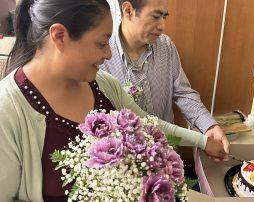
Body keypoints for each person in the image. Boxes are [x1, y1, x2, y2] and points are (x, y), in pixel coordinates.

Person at [0, 0, 228, 201]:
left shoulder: (103, 84)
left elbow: (149, 124)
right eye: (101, 43)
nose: (108, 54)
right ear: (60, 36)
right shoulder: (8, 111)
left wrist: (202, 139)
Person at [100, 0, 229, 156]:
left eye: (164, 17)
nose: (162, 26)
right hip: (125, 161)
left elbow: (183, 93)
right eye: (155, 16)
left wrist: (209, 126)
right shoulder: (102, 57)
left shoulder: (165, 46)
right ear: (128, 11)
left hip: (167, 153)